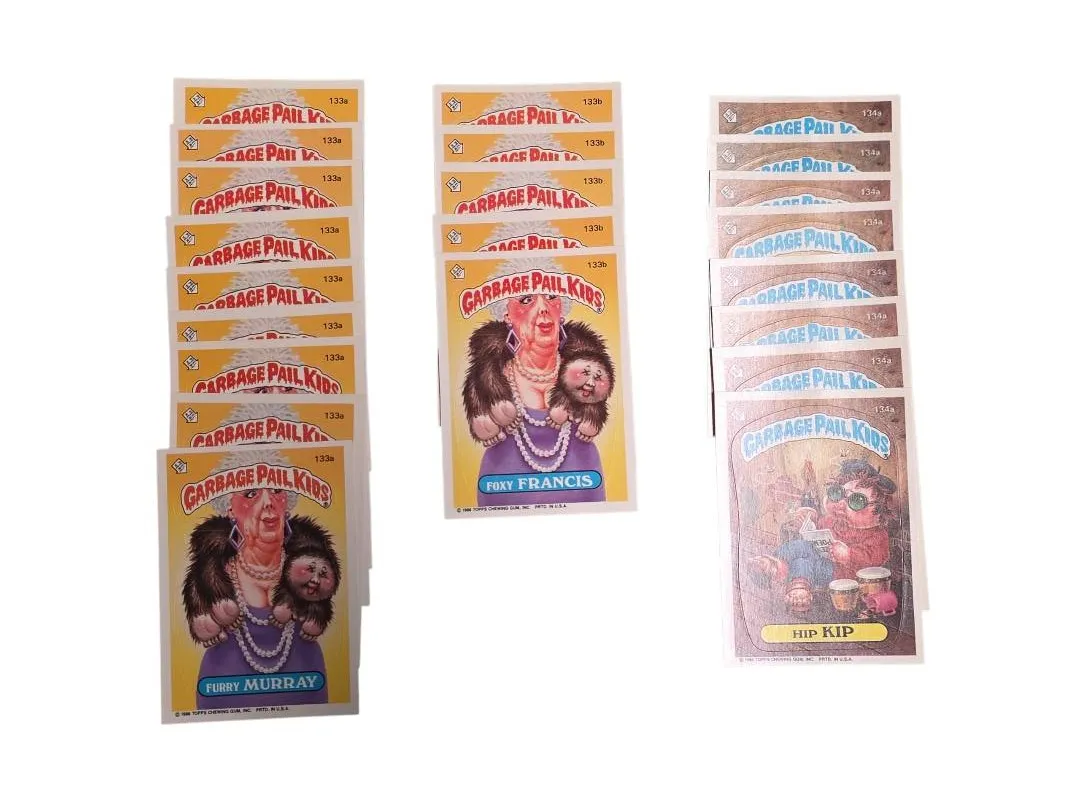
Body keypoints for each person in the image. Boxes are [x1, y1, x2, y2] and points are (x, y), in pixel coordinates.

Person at [182, 448, 341, 708]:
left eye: (277, 490)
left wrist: (317, 610)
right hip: (223, 687)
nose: (268, 501)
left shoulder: (310, 559)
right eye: (250, 494)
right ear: (229, 508)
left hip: (305, 683)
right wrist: (201, 607)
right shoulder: (213, 567)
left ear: (287, 502)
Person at [462, 259, 615, 506]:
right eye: (526, 300)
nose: (543, 308)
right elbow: (478, 395)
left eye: (552, 297)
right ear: (506, 314)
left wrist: (593, 412)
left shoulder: (584, 365)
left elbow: (597, 403)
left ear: (561, 310)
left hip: (583, 482)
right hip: (504, 484)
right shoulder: (491, 371)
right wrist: (480, 409)